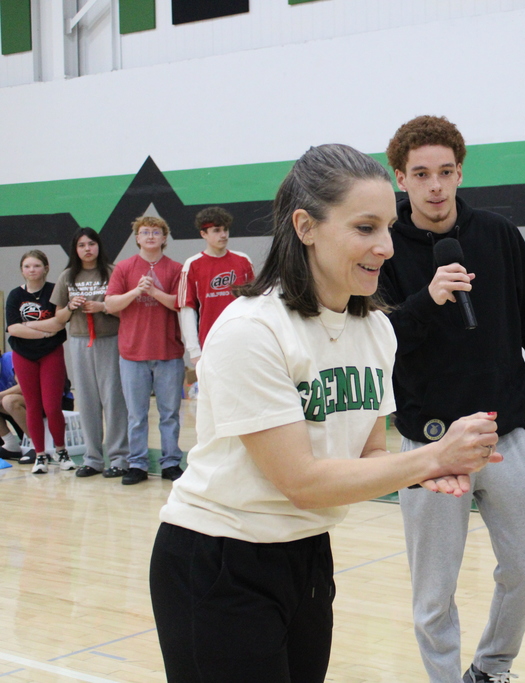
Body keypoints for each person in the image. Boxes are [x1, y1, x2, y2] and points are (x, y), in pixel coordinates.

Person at [149, 143, 500, 683]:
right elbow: (302, 480)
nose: (385, 246)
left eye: (388, 226)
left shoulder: (377, 330)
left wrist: (429, 469)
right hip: (219, 557)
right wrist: (431, 458)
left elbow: (369, 454)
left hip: (308, 554)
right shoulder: (253, 330)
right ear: (306, 226)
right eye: (365, 228)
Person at [379, 115, 525, 683]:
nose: (435, 185)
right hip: (430, 444)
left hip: (505, 434)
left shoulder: (496, 235)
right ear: (401, 178)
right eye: (421, 174)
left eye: (445, 172)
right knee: (434, 592)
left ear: (460, 172)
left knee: (524, 569)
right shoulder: (384, 249)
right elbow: (381, 339)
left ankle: (490, 670)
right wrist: (427, 297)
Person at [105, 216, 185, 485]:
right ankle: (137, 464)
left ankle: (171, 462)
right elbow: (111, 304)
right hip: (132, 354)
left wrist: (154, 293)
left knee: (170, 414)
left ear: (164, 238)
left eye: (156, 232)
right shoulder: (124, 268)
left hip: (168, 352)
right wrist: (135, 292)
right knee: (136, 415)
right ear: (137, 238)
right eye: (144, 232)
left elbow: (180, 304)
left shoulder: (176, 269)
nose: (150, 236)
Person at [53, 228, 131, 479]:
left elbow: (127, 312)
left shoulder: (113, 271)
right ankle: (93, 458)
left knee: (114, 400)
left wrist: (103, 307)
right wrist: (70, 307)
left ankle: (119, 458)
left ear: (99, 246)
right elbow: (58, 318)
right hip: (79, 341)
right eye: (81, 245)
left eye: (91, 243)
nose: (87, 249)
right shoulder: (67, 276)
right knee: (86, 400)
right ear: (75, 250)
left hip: (111, 340)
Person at [5, 250, 73, 474]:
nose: (31, 270)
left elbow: (59, 324)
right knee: (33, 406)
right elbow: (13, 329)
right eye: (27, 266)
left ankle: (61, 451)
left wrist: (32, 327)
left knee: (52, 406)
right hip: (24, 355)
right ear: (22, 270)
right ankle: (40, 454)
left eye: (36, 265)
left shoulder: (55, 290)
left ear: (46, 268)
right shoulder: (15, 295)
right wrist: (44, 331)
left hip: (50, 353)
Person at [177, 206, 255, 366]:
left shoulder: (243, 260)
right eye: (217, 230)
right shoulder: (192, 265)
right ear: (203, 234)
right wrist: (194, 350)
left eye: (226, 229)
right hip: (209, 342)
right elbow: (187, 309)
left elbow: (255, 301)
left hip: (243, 341)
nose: (223, 235)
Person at [0, 351, 30, 460]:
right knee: (8, 401)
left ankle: (35, 444)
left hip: (47, 399)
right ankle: (10, 444)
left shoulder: (10, 358)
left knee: (9, 401)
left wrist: (1, 394)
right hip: (19, 410)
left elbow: (25, 386)